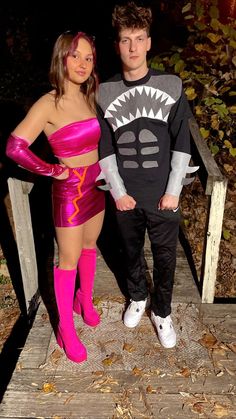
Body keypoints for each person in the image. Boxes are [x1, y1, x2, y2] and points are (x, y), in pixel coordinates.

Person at [97, 2, 198, 349]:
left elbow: (182, 139)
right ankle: (138, 296)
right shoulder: (104, 92)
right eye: (126, 40)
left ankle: (162, 310)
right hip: (126, 194)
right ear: (117, 45)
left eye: (139, 38)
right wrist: (117, 193)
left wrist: (173, 191)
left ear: (149, 42)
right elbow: (104, 146)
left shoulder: (171, 85)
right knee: (130, 249)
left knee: (166, 255)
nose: (133, 47)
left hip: (162, 194)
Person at [6, 31, 105, 363]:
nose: (82, 63)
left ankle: (85, 301)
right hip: (70, 191)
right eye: (76, 55)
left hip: (95, 184)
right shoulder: (48, 103)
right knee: (68, 259)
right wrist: (50, 170)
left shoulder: (90, 94)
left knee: (91, 246)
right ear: (61, 57)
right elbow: (15, 147)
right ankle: (65, 328)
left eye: (89, 57)